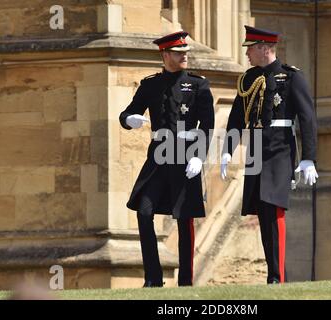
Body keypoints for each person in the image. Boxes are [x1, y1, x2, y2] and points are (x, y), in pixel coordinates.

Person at [220, 25, 318, 284]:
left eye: (250, 49)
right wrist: (227, 152)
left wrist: (309, 157)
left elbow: (307, 118)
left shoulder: (292, 77)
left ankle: (278, 277)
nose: (247, 54)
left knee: (274, 209)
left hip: (280, 148)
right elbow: (236, 119)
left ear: (264, 48)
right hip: (256, 149)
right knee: (262, 211)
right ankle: (273, 274)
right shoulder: (248, 79)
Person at [119, 31, 215, 287]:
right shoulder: (150, 84)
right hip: (158, 157)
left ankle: (185, 282)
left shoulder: (198, 84)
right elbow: (128, 112)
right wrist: (129, 120)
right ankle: (153, 278)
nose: (184, 56)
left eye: (185, 52)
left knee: (184, 218)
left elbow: (207, 125)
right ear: (165, 55)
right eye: (178, 53)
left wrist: (199, 157)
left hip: (185, 156)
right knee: (143, 211)